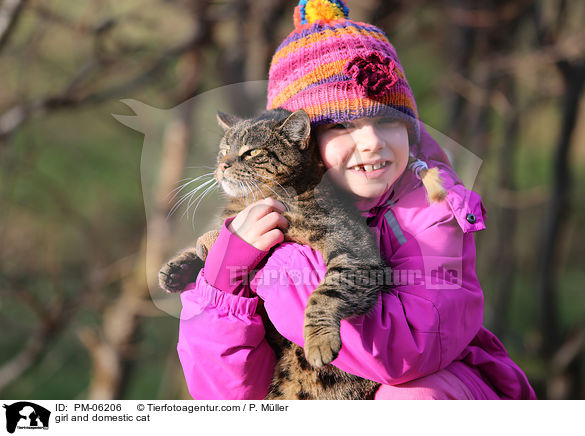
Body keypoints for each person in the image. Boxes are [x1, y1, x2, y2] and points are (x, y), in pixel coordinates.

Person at [176, 0, 536, 400]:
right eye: (343, 125)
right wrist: (225, 277)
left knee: (415, 398)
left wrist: (271, 260)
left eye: (388, 121)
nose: (371, 142)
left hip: (426, 390)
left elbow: (406, 353)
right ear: (300, 141)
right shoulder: (265, 204)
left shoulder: (430, 212)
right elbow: (226, 394)